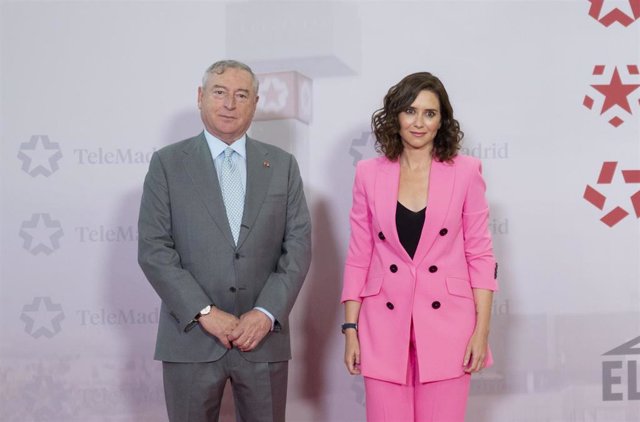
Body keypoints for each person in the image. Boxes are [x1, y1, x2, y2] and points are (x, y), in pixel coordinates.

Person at [138, 59, 312, 422]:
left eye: (241, 95)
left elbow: (297, 248)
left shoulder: (283, 165)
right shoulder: (167, 164)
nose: (229, 104)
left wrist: (265, 314)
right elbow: (154, 249)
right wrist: (204, 312)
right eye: (219, 93)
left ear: (255, 103)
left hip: (263, 340)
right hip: (191, 340)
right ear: (201, 97)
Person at [341, 72, 498, 421]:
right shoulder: (368, 173)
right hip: (381, 326)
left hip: (450, 329)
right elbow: (358, 256)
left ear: (442, 121)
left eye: (430, 113)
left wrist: (481, 331)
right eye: (411, 111)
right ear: (395, 116)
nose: (419, 122)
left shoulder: (466, 171)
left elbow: (480, 256)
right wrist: (350, 329)